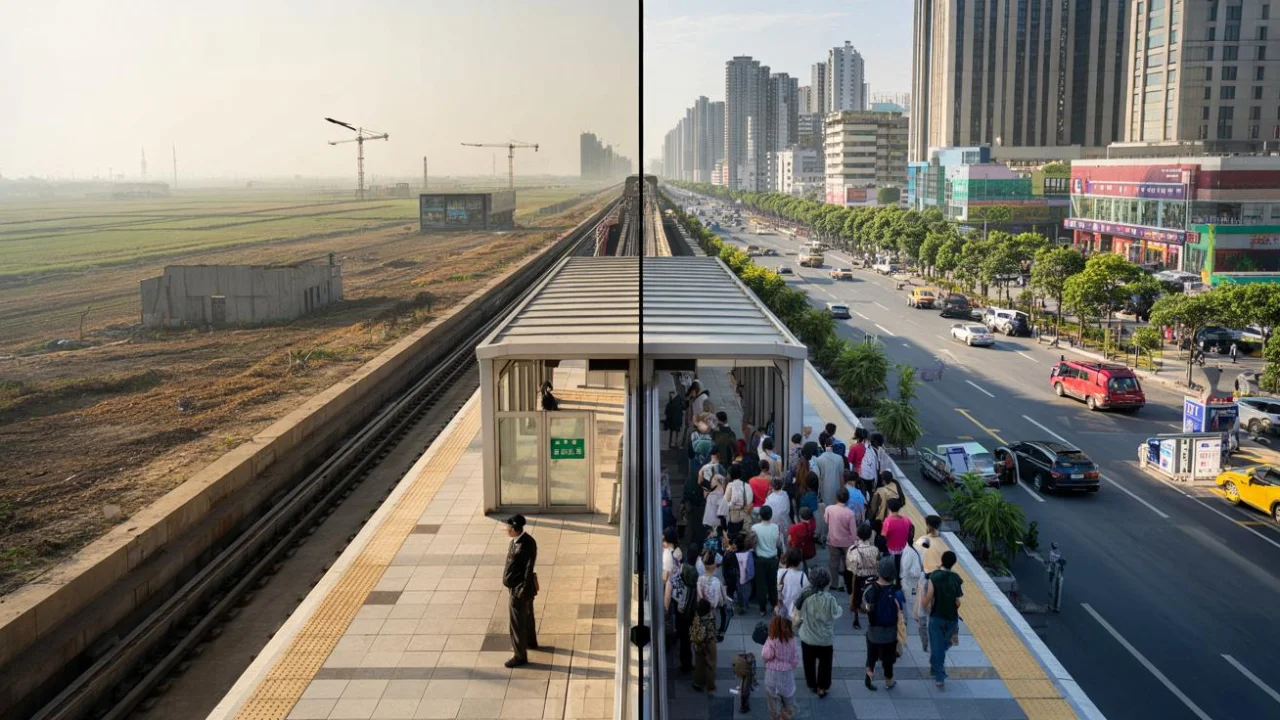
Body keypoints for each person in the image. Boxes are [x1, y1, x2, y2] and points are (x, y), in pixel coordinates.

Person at [795, 567, 842, 698]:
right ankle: (822, 687)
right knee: (825, 663)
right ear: (827, 582)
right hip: (825, 638)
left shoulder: (805, 596)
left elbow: (797, 614)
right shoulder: (830, 599)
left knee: (808, 662)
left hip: (808, 636)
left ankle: (812, 683)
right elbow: (836, 613)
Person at [862, 557, 905, 691]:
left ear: (879, 572)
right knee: (888, 660)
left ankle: (869, 679)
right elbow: (901, 611)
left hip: (873, 632)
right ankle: (888, 681)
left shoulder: (870, 590)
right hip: (891, 634)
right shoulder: (897, 593)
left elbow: (865, 608)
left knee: (871, 657)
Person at [924, 551, 965, 689]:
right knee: (944, 644)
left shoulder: (934, 576)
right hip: (952, 619)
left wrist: (923, 606)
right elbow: (958, 602)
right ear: (953, 563)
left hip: (937, 617)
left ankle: (939, 676)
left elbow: (929, 595)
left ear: (942, 560)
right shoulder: (956, 578)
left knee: (938, 647)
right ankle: (936, 667)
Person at [502, 514, 539, 668]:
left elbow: (528, 569)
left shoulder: (527, 544)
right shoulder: (515, 542)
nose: (505, 529)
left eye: (508, 527)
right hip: (519, 587)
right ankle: (530, 642)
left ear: (514, 529)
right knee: (528, 615)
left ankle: (520, 656)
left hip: (520, 589)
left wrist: (521, 589)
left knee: (517, 623)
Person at [761, 615, 801, 720]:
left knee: (773, 703)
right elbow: (795, 659)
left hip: (772, 676)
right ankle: (786, 716)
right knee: (789, 700)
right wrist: (790, 666)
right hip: (786, 675)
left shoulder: (771, 639)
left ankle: (776, 717)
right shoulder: (792, 640)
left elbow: (766, 655)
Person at [823, 486, 858, 593]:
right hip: (847, 543)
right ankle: (847, 584)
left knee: (834, 562)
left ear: (836, 497)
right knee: (848, 563)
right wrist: (855, 542)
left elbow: (826, 521)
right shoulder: (850, 513)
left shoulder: (829, 509)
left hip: (833, 540)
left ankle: (834, 584)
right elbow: (853, 531)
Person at [845, 524, 880, 630]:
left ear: (858, 535)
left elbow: (850, 566)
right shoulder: (875, 549)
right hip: (871, 578)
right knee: (871, 598)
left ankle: (855, 620)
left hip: (858, 578)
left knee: (855, 598)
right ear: (870, 536)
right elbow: (877, 564)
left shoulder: (853, 549)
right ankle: (871, 619)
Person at [753, 505, 784, 616]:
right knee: (773, 584)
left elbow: (753, 543)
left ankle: (762, 609)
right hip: (772, 559)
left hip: (760, 560)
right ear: (771, 516)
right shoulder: (775, 527)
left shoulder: (755, 528)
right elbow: (779, 544)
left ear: (760, 515)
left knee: (761, 585)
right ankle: (774, 604)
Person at [669, 562, 698, 672]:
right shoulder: (693, 585)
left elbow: (670, 601)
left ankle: (685, 665)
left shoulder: (677, 584)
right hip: (691, 616)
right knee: (688, 641)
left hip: (681, 618)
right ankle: (689, 663)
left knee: (684, 641)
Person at [880, 498, 914, 588]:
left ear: (889, 508)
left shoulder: (888, 521)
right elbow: (911, 530)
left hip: (892, 550)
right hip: (904, 549)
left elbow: (883, 536)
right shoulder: (907, 520)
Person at [698, 550, 730, 641]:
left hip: (702, 610)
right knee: (711, 637)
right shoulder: (717, 581)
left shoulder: (700, 580)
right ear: (714, 566)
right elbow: (720, 600)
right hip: (713, 610)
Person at [690, 599, 718, 692]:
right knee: (710, 664)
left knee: (699, 663)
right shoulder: (711, 616)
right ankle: (710, 685)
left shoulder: (697, 617)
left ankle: (698, 682)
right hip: (710, 642)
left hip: (699, 643)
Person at [776, 547, 808, 620]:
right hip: (797, 612)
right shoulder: (803, 576)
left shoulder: (781, 573)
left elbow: (779, 590)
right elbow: (806, 593)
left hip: (784, 610)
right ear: (800, 561)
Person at [813, 437, 845, 511]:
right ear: (833, 445)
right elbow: (841, 477)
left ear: (824, 445)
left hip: (824, 488)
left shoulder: (819, 459)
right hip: (836, 489)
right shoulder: (839, 458)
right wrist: (843, 489)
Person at [725, 466, 754, 538]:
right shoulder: (747, 486)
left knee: (733, 543)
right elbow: (750, 501)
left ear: (731, 475)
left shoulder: (730, 485)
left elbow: (725, 502)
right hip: (745, 519)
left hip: (733, 519)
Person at [731, 531, 755, 613]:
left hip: (736, 576)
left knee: (738, 590)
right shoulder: (748, 554)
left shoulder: (732, 554)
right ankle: (744, 604)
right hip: (745, 577)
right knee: (746, 591)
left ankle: (739, 604)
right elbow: (750, 570)